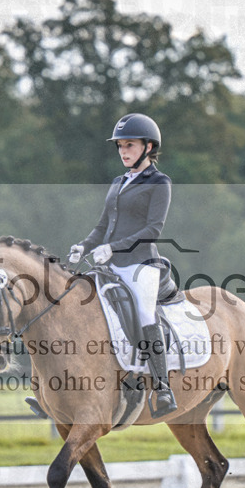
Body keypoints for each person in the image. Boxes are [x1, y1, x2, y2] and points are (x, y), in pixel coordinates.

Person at [68, 113, 177, 417]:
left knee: (144, 311)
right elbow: (102, 225)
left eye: (129, 145)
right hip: (109, 264)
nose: (123, 151)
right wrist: (84, 246)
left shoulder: (159, 182)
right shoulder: (118, 182)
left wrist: (111, 248)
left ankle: (162, 386)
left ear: (148, 146)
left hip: (141, 264)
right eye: (120, 146)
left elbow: (153, 230)